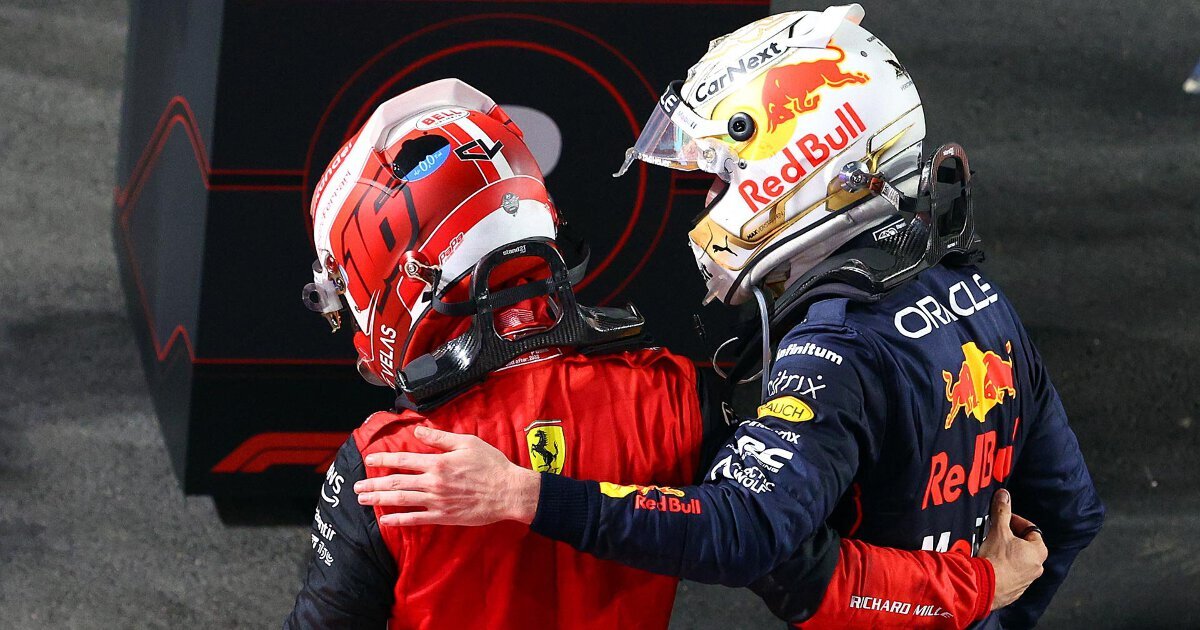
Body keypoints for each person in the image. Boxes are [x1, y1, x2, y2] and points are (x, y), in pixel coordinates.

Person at [352, 6, 1103, 629]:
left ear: (797, 159)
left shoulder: (832, 349)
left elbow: (744, 532)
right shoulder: (982, 298)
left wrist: (524, 494)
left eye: (721, 176)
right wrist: (991, 605)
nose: (711, 203)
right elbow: (1068, 513)